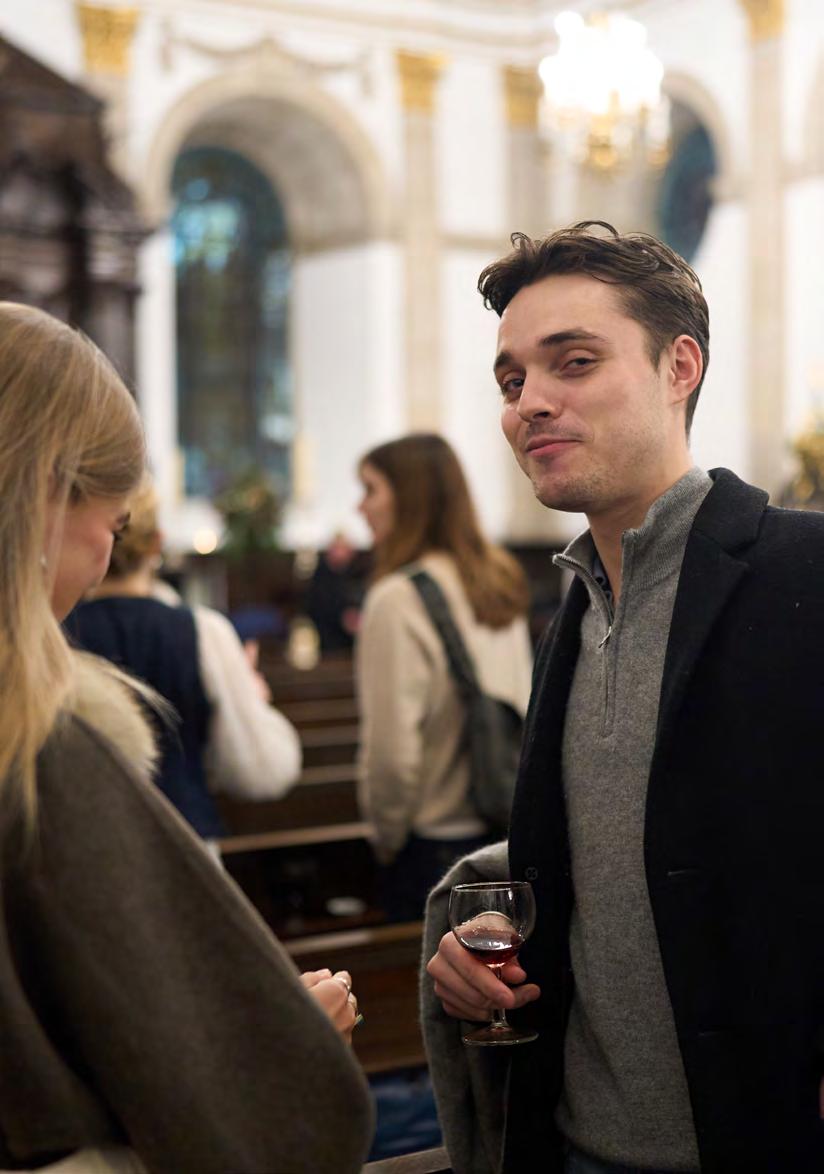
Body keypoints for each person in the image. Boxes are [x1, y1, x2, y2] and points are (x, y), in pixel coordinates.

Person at [423, 222, 824, 1174]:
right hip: (579, 1141)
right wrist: (483, 931)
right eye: (512, 380)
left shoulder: (804, 572)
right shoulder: (577, 609)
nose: (532, 402)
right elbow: (631, 836)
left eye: (575, 362)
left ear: (679, 366)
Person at [0, 301, 372, 1173]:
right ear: (46, 494)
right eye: (111, 525)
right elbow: (224, 1118)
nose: (104, 557)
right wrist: (287, 1049)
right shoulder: (40, 751)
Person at [67, 477, 302, 849]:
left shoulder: (54, 632)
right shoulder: (203, 630)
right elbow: (261, 772)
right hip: (186, 843)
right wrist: (254, 697)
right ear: (157, 544)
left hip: (84, 848)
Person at [356, 433, 532, 922]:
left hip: (432, 847)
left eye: (370, 489)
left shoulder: (396, 598)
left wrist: (386, 839)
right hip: (503, 836)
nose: (360, 507)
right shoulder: (498, 579)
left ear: (409, 498)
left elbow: (392, 756)